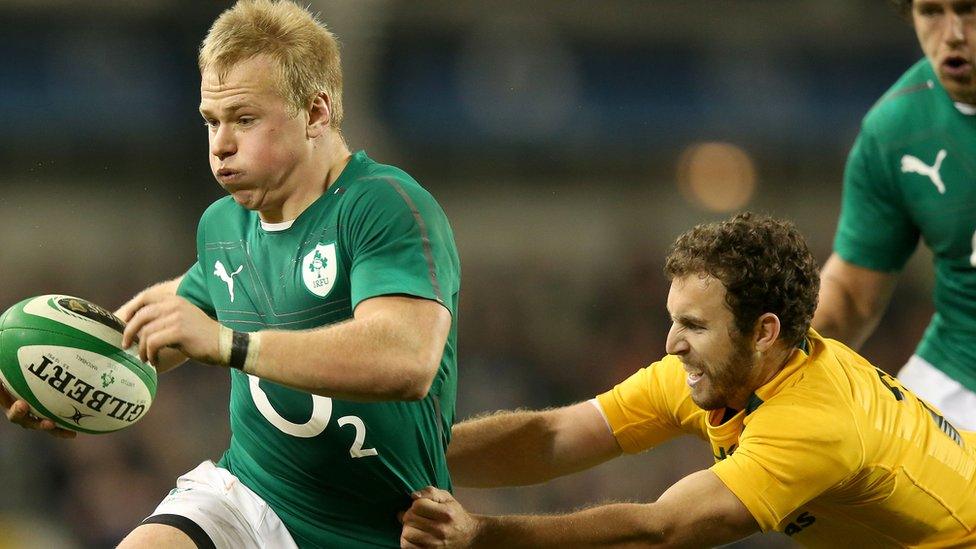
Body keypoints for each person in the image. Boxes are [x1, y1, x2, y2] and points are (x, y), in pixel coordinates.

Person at [1, 1, 461, 547]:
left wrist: (228, 343)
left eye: (244, 119)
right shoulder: (225, 222)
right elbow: (170, 326)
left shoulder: (382, 204)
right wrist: (74, 380)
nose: (220, 144)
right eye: (211, 121)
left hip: (374, 526)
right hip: (249, 497)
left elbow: (407, 359)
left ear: (316, 113)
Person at [399, 213, 976, 548]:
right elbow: (555, 436)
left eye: (694, 325)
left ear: (764, 331)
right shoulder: (712, 370)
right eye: (672, 320)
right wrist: (402, 453)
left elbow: (660, 532)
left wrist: (481, 535)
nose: (672, 343)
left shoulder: (814, 420)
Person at [813, 0, 976, 431]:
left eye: (970, 9)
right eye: (932, 11)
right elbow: (851, 292)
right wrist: (775, 358)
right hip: (957, 379)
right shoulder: (895, 128)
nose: (954, 33)